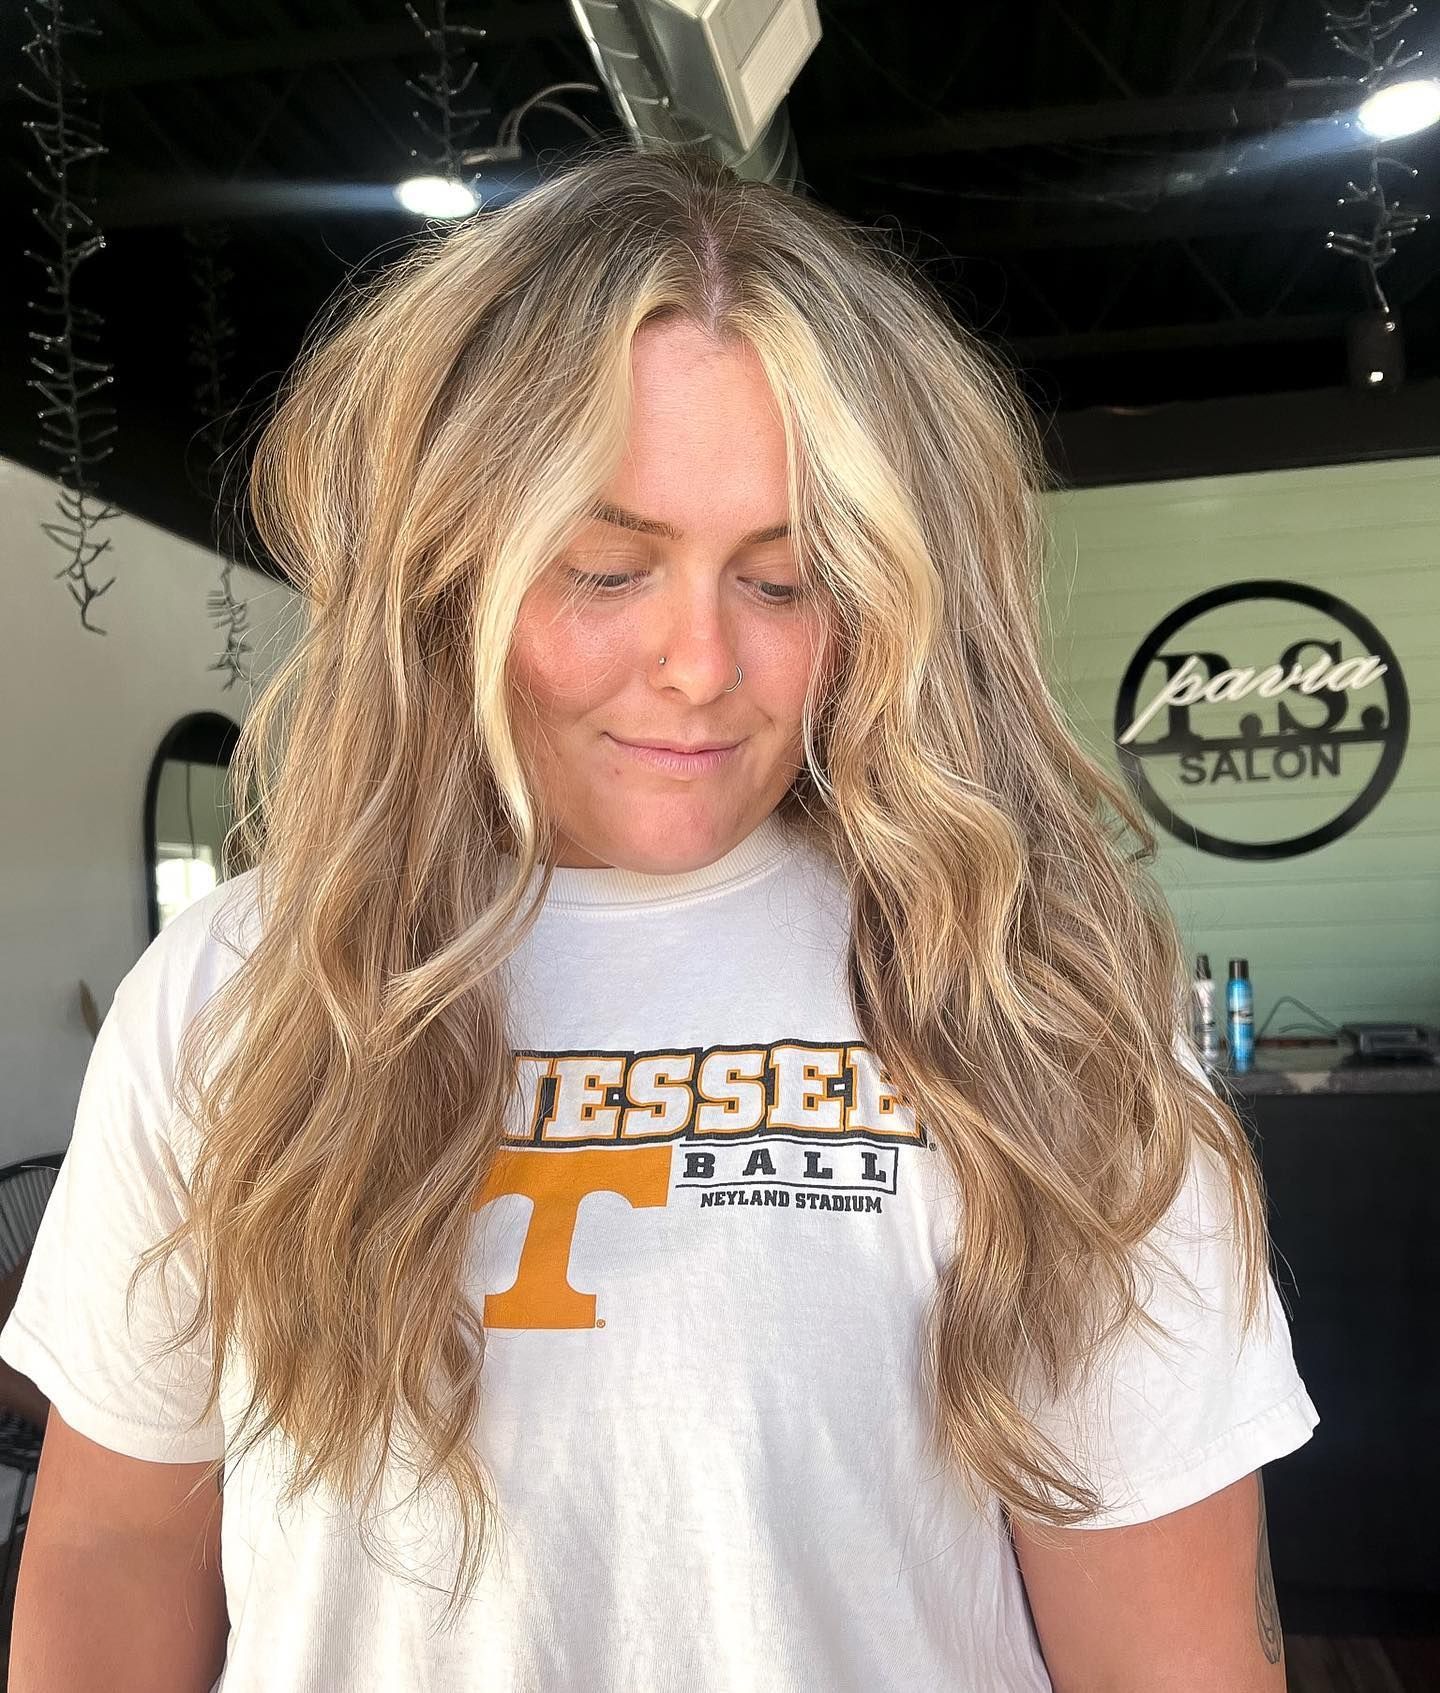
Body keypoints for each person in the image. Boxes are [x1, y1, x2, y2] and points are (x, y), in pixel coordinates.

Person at [0, 141, 1317, 1693]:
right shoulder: (238, 986)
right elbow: (116, 1543)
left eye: (786, 579)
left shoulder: (1018, 1004)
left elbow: (1173, 1653)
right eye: (607, 566)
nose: (699, 662)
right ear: (448, 571)